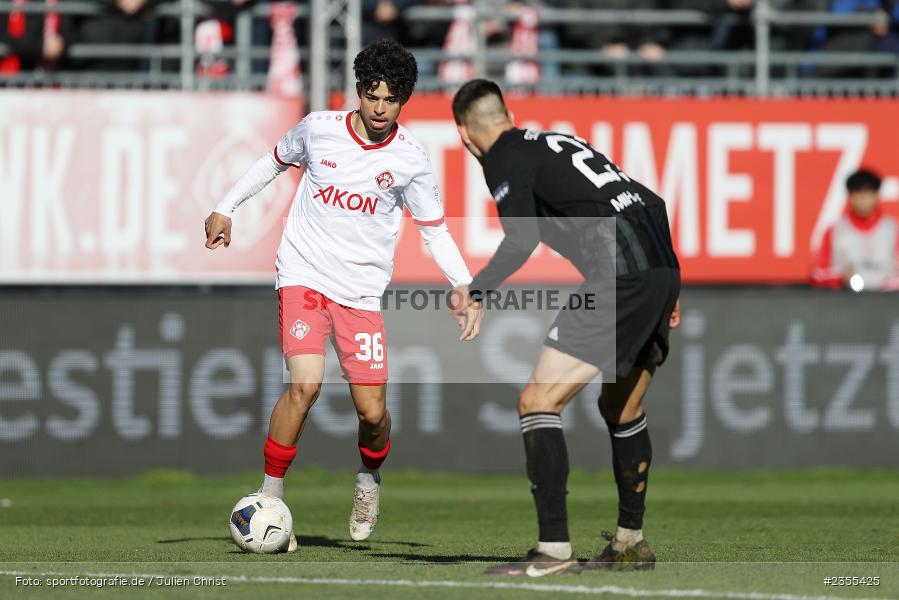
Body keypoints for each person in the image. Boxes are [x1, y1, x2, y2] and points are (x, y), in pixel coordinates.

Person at [205, 39, 483, 548]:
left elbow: (435, 230)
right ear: (358, 91)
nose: (379, 109)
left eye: (391, 100)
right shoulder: (318, 129)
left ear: (404, 101)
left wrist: (463, 283)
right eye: (372, 96)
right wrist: (226, 206)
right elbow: (272, 161)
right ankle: (270, 497)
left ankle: (368, 479)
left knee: (372, 414)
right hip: (304, 274)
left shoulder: (411, 160)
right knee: (305, 384)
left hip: (360, 293)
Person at [450, 79, 680, 576]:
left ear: (465, 134)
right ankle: (629, 542)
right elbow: (655, 202)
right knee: (620, 406)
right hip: (658, 268)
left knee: (537, 401)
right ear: (508, 115)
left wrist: (477, 289)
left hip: (619, 274)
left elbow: (521, 239)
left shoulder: (503, 156)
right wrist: (671, 285)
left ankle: (553, 549)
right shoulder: (555, 141)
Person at [811, 168, 899, 291]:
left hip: (886, 299)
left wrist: (881, 282)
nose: (863, 199)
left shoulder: (894, 230)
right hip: (846, 299)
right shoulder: (835, 230)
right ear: (850, 197)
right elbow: (817, 273)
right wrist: (842, 277)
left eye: (867, 192)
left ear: (876, 195)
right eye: (857, 192)